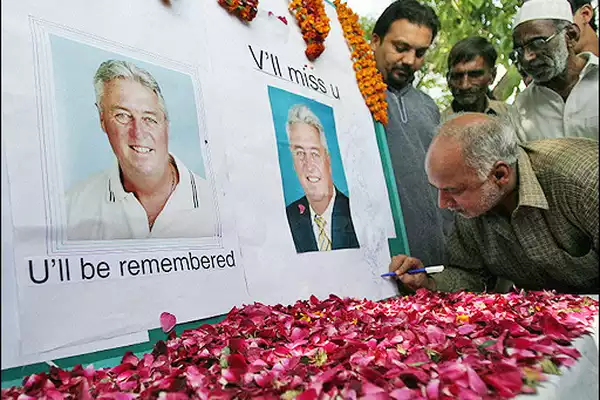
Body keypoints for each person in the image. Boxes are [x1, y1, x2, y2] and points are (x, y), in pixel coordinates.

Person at [388, 113, 599, 295]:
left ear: (500, 174)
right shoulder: (473, 205)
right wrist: (428, 283)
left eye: (454, 190)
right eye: (439, 189)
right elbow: (469, 275)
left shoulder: (585, 180)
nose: (443, 204)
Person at [66, 60, 217, 240]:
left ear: (166, 126)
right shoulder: (71, 207)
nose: (138, 133)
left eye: (149, 119)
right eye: (122, 115)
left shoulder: (216, 204)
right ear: (102, 120)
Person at [371, 0, 451, 270]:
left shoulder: (428, 105)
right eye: (400, 48)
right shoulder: (350, 93)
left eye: (419, 53)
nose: (409, 61)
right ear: (375, 41)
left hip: (433, 261)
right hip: (379, 259)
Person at [509, 0, 599, 142]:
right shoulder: (522, 106)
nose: (527, 57)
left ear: (570, 35)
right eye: (519, 50)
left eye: (538, 43)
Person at [284, 104, 359, 253]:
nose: (309, 166)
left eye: (315, 153)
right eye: (300, 154)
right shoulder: (288, 218)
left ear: (328, 160)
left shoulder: (356, 211)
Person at [441, 36, 510, 122]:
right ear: (448, 79)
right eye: (457, 76)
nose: (464, 85)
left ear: (492, 76)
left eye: (474, 75)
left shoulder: (510, 116)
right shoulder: (436, 124)